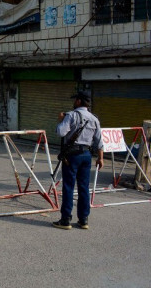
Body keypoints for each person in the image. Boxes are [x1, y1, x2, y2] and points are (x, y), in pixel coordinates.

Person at [53, 90, 103, 230]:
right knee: (83, 187)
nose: (74, 102)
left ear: (79, 101)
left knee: (68, 187)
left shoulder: (71, 115)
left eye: (75, 100)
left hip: (72, 155)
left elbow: (60, 132)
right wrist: (101, 158)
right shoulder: (94, 118)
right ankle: (83, 220)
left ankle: (65, 220)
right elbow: (99, 141)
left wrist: (61, 121)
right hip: (87, 155)